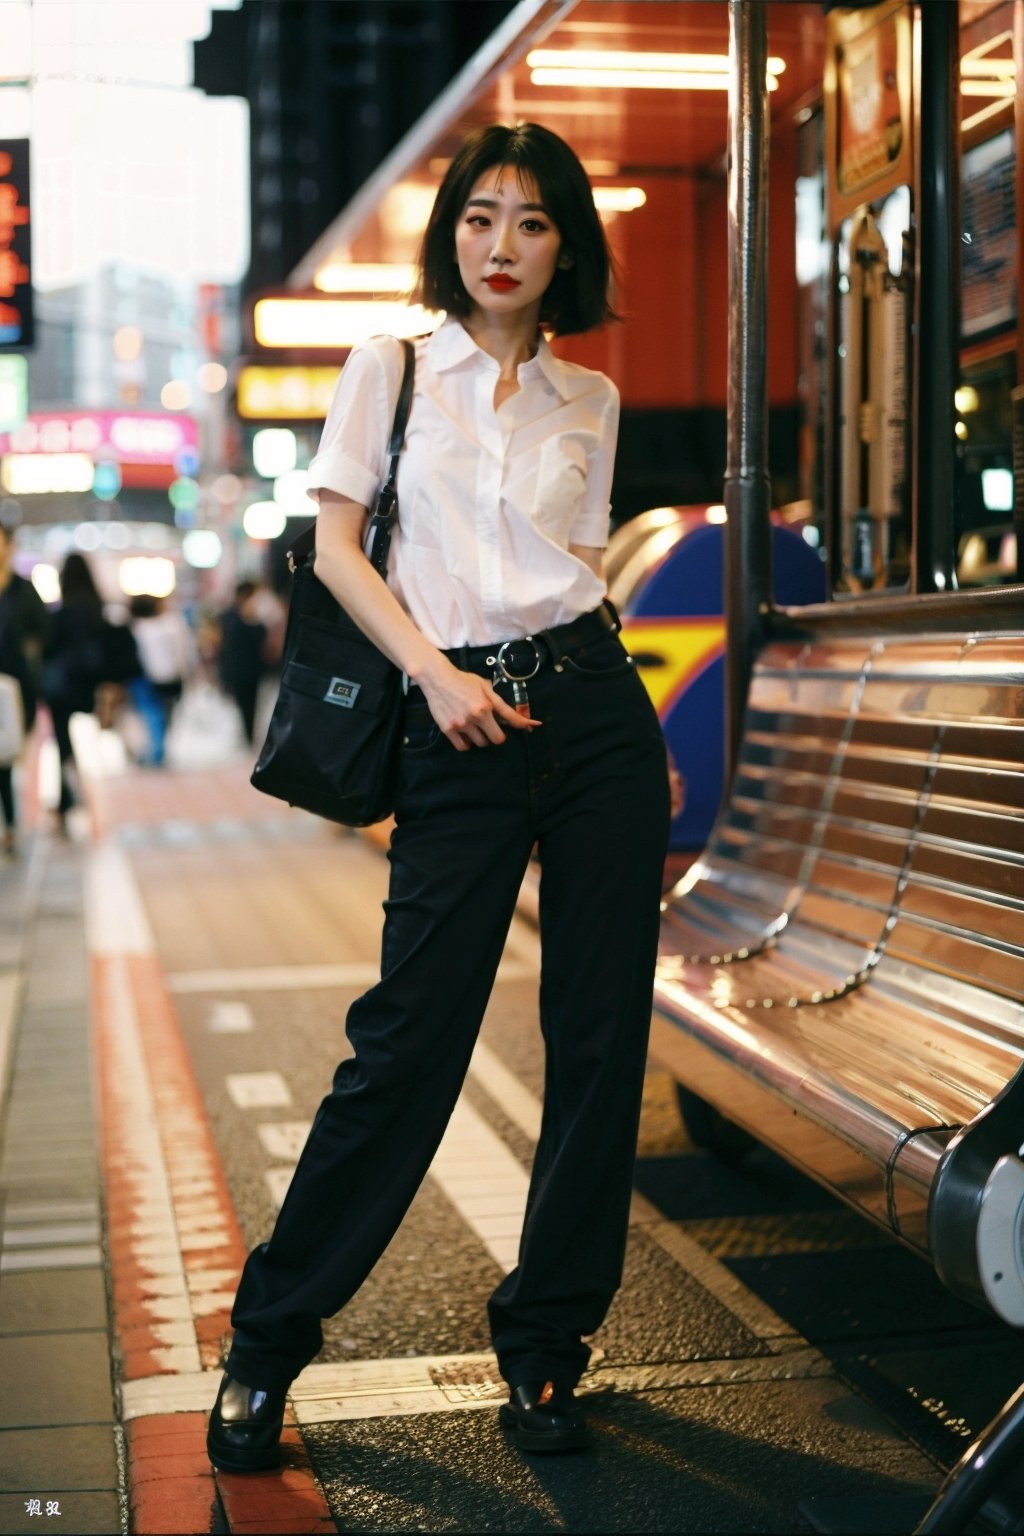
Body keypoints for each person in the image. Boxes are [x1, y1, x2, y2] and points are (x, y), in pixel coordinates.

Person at [207, 122, 671, 1472]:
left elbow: (574, 572)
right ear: (450, 232)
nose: (503, 246)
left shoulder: (589, 397)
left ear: (566, 243)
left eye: (531, 222)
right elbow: (338, 549)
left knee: (600, 1046)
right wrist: (432, 676)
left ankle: (545, 1349)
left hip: (590, 713)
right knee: (408, 1041)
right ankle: (268, 1340)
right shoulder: (393, 366)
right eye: (481, 218)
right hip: (450, 719)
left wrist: (630, 717)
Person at [42, 552, 138, 825]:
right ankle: (96, 793)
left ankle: (67, 799)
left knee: (64, 744)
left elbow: (51, 647)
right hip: (93, 684)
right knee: (99, 739)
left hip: (64, 687)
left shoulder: (64, 611)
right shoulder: (99, 607)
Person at [0, 524, 49, 852]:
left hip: (15, 690)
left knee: (4, 757)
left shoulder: (24, 591)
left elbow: (43, 634)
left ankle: (12, 825)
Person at [126, 594, 193, 766]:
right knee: (162, 715)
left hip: (144, 678)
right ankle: (158, 751)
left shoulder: (135, 628)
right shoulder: (171, 625)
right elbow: (182, 652)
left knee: (151, 715)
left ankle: (155, 751)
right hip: (168, 677)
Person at [217, 581, 268, 745]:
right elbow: (226, 645)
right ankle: (247, 736)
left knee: (253, 703)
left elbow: (261, 638)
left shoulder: (255, 616)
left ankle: (249, 735)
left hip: (254, 668)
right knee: (243, 704)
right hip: (236, 668)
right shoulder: (230, 616)